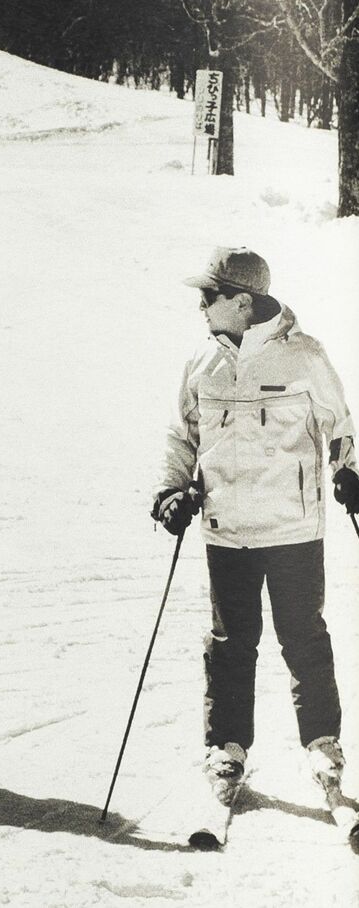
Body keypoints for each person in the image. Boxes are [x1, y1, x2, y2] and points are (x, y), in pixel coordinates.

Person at [152, 247, 359, 795]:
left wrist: (349, 472)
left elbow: (341, 425)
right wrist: (170, 491)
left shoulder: (305, 357)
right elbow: (181, 436)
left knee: (304, 639)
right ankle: (227, 748)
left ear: (242, 302)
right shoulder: (202, 363)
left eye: (209, 295)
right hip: (227, 531)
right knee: (229, 644)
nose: (201, 305)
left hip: (294, 530)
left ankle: (322, 745)